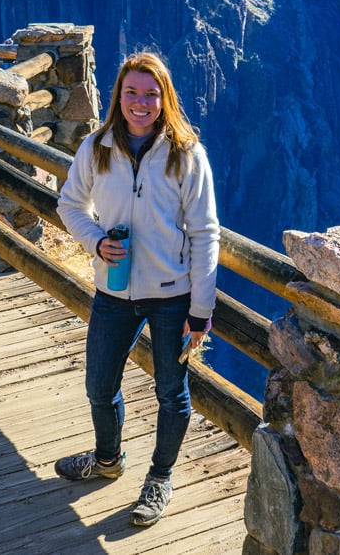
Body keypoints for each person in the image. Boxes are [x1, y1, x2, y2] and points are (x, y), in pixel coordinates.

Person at [55, 51, 220, 527]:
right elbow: (70, 205)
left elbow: (206, 233)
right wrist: (96, 241)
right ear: (118, 96)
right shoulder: (97, 147)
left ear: (165, 98)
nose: (141, 103)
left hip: (173, 297)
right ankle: (108, 460)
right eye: (132, 92)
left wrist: (201, 310)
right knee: (99, 385)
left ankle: (159, 478)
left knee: (172, 391)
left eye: (151, 93)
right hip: (113, 292)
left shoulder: (187, 155)